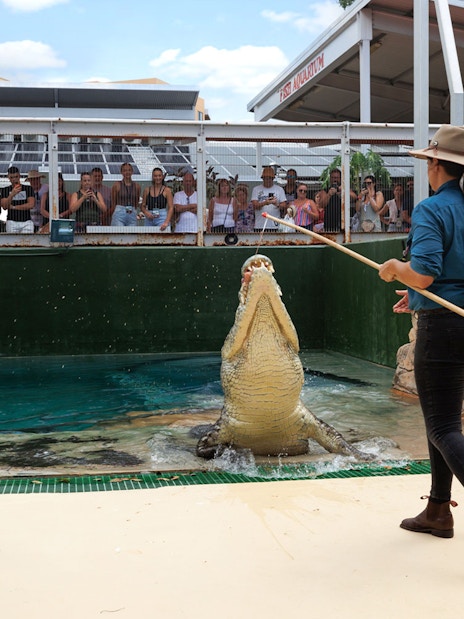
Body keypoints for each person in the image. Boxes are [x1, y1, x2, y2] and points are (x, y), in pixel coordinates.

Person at [378, 124, 464, 539]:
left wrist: (396, 269)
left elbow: (426, 273)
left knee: (443, 426)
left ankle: (439, 510)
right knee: (441, 419)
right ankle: (437, 511)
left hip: (445, 327)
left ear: (434, 165)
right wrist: (413, 296)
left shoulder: (433, 209)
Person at [319, 169, 357, 233]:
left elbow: (355, 197)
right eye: (333, 177)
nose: (335, 180)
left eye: (337, 177)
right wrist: (329, 194)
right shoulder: (325, 191)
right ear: (330, 179)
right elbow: (321, 204)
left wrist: (343, 190)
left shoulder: (345, 189)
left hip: (343, 222)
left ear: (341, 178)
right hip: (330, 222)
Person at [0, 166, 35, 233]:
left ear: (19, 176)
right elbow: (4, 206)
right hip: (12, 221)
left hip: (26, 221)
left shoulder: (28, 188)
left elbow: (31, 204)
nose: (14, 179)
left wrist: (13, 207)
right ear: (8, 178)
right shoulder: (5, 190)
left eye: (16, 177)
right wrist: (12, 195)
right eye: (11, 177)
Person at [251, 166, 286, 231]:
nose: (268, 180)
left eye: (270, 178)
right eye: (266, 178)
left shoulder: (279, 190)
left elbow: (284, 206)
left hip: (275, 225)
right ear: (263, 178)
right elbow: (254, 206)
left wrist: (276, 204)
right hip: (259, 225)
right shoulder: (256, 189)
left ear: (273, 178)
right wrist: (265, 203)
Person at [141, 167, 174, 231]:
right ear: (153, 177)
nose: (157, 178)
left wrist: (166, 222)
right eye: (155, 176)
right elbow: (143, 206)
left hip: (162, 217)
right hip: (149, 217)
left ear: (162, 177)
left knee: (162, 238)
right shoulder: (147, 190)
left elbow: (171, 207)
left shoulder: (167, 190)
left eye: (159, 176)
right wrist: (146, 212)